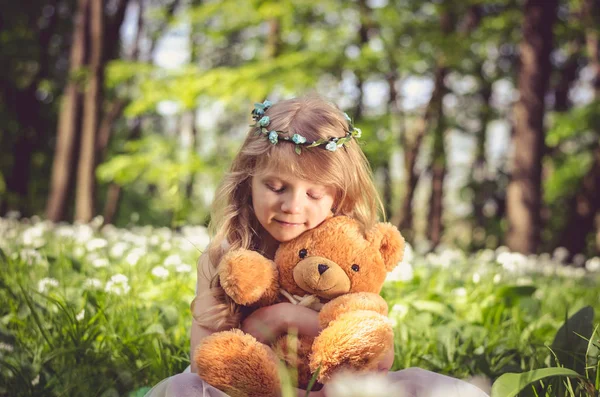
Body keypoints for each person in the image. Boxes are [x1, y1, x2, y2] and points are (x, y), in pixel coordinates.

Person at [145, 95, 489, 397]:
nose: (293, 206)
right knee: (183, 389)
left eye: (313, 194)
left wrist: (288, 317)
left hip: (337, 391)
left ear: (337, 196)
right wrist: (272, 322)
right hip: (248, 392)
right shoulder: (222, 258)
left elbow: (379, 354)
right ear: (248, 181)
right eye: (276, 187)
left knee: (429, 387)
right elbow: (206, 358)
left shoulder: (348, 255)